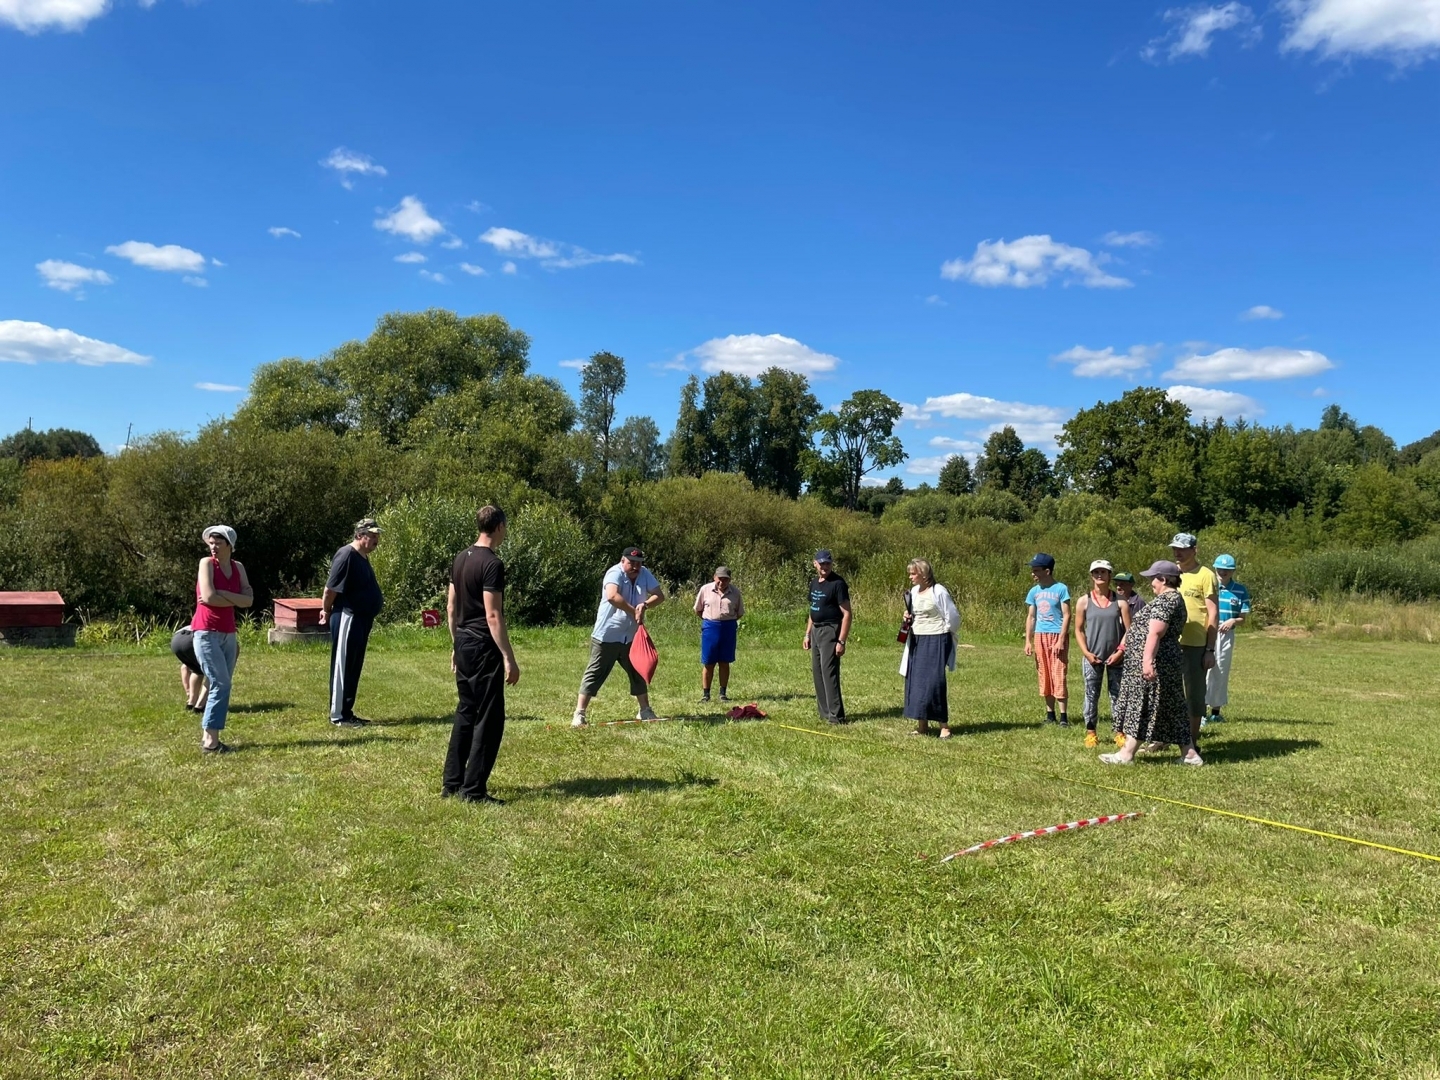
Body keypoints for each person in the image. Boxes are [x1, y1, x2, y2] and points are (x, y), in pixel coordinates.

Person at [443, 505, 519, 804]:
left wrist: (455, 645)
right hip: (483, 646)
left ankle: (452, 783)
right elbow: (493, 615)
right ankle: (473, 790)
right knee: (489, 717)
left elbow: (450, 607)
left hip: (463, 640)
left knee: (465, 711)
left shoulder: (461, 558)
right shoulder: (492, 564)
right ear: (499, 526)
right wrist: (508, 657)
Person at [1101, 560, 1203, 767]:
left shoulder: (1167, 600)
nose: (1151, 584)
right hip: (1164, 662)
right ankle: (1190, 754)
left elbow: (1156, 632)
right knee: (1170, 708)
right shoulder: (1171, 599)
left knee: (1144, 706)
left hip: (1157, 663)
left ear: (1164, 579)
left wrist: (1147, 662)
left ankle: (1126, 754)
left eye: (1153, 579)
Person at [572, 546, 666, 727]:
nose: (635, 567)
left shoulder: (644, 573)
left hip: (631, 636)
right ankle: (579, 713)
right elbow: (612, 596)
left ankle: (645, 710)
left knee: (637, 671)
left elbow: (659, 596)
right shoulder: (614, 573)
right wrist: (634, 611)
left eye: (638, 563)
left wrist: (644, 605)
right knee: (594, 673)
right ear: (623, 561)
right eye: (631, 563)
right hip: (607, 634)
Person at [191, 525, 252, 754]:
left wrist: (223, 594)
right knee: (221, 683)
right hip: (206, 631)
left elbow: (249, 600)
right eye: (211, 542)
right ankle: (211, 742)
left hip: (229, 633)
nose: (213, 547)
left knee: (223, 684)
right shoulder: (206, 564)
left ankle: (210, 737)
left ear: (230, 545)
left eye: (218, 542)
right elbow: (207, 597)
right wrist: (236, 599)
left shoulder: (238, 567)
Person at [319, 518, 385, 728]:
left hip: (361, 619)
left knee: (354, 666)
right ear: (359, 535)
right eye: (371, 535)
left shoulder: (362, 556)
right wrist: (326, 610)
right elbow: (330, 589)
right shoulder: (347, 554)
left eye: (377, 536)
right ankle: (338, 715)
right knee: (343, 665)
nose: (376, 540)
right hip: (347, 616)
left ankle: (347, 712)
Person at [900, 558, 961, 738]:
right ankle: (922, 724)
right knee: (917, 682)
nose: (910, 576)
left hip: (936, 639)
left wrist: (944, 634)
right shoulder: (913, 591)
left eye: (913, 573)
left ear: (923, 574)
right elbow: (914, 613)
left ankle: (944, 726)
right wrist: (907, 616)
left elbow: (953, 616)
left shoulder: (938, 591)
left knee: (935, 682)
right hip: (917, 640)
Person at [1074, 559, 1131, 749]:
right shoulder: (1084, 601)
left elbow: (1129, 631)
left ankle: (1119, 733)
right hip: (1092, 658)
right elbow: (1079, 630)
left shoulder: (1120, 601)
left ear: (1109, 575)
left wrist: (1121, 652)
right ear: (1092, 576)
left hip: (1116, 657)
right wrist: (1087, 653)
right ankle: (1091, 733)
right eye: (1096, 572)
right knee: (1091, 695)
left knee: (1118, 696)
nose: (1100, 575)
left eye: (1103, 572)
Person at [1170, 532, 1218, 746]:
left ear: (1194, 550)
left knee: (1194, 695)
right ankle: (1165, 737)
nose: (1177, 553)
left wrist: (1210, 649)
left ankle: (1190, 741)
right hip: (1170, 641)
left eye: (1182, 549)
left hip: (1196, 643)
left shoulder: (1205, 575)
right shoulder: (1170, 572)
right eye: (1175, 548)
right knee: (1169, 691)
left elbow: (1213, 612)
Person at [804, 549, 851, 725]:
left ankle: (836, 716)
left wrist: (841, 640)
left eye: (828, 563)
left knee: (828, 672)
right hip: (816, 630)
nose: (825, 566)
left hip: (831, 630)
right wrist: (807, 633)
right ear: (815, 563)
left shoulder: (838, 584)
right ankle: (824, 713)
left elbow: (847, 614)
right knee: (817, 672)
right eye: (821, 563)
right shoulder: (815, 583)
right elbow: (813, 609)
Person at [1023, 553, 1071, 726]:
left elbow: (1067, 615)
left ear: (1047, 571)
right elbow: (1031, 617)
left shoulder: (1061, 589)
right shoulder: (1034, 592)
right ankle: (1050, 714)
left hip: (1057, 634)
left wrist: (1061, 639)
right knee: (1044, 672)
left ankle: (1063, 716)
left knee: (1058, 672)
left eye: (1036, 570)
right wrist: (1028, 640)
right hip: (1040, 635)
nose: (1033, 574)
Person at [1205, 554, 1251, 726]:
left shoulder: (1240, 590)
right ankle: (1200, 712)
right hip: (1208, 630)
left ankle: (1215, 712)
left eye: (1227, 570)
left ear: (1232, 571)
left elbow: (1243, 617)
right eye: (1220, 569)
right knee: (1204, 671)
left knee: (1220, 671)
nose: (1223, 572)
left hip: (1226, 633)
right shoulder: (1209, 587)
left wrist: (1233, 621)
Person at [694, 566, 743, 703]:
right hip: (710, 627)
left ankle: (723, 693)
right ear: (714, 577)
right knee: (708, 662)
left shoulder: (735, 592)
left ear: (730, 580)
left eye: (725, 579)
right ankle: (706, 694)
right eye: (720, 579)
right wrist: (710, 621)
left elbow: (739, 612)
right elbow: (698, 610)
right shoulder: (705, 590)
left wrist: (726, 621)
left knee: (724, 661)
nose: (722, 582)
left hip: (728, 627)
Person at [170, 622, 208, 713]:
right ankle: (200, 705)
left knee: (197, 670)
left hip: (176, 639)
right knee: (210, 672)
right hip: (193, 638)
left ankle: (191, 702)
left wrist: (188, 691)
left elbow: (184, 668)